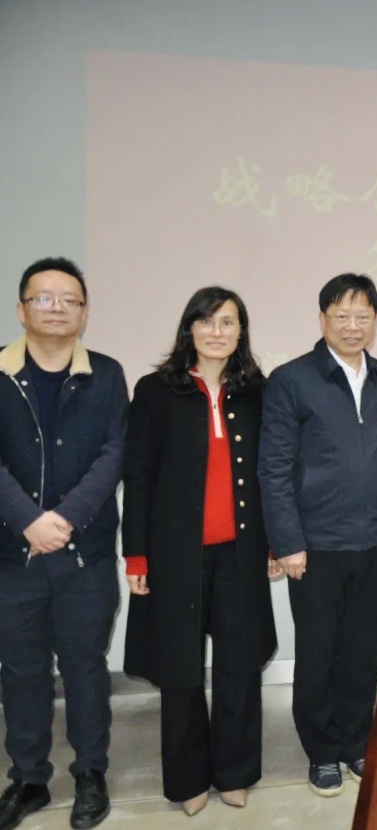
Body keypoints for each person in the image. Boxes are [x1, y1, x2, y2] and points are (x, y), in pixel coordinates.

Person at [121, 287, 280, 815]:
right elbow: (138, 478)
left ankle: (235, 772)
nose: (217, 332)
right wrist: (136, 555)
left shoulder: (257, 392)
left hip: (242, 552)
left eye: (228, 323)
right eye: (207, 321)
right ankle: (188, 779)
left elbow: (271, 474)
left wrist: (275, 542)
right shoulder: (155, 391)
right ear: (189, 328)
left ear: (241, 332)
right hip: (175, 557)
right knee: (181, 669)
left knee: (239, 666)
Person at [258, 274, 377, 796]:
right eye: (341, 315)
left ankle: (356, 743)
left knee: (364, 653)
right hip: (315, 545)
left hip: (374, 540)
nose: (352, 326)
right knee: (319, 654)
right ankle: (322, 751)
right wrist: (287, 542)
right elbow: (273, 467)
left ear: (375, 321)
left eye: (362, 316)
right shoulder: (292, 380)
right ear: (322, 319)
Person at [0, 257, 127, 830]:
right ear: (22, 308)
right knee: (21, 670)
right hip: (12, 553)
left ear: (84, 312)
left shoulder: (107, 374)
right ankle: (28, 779)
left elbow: (113, 455)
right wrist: (28, 520)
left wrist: (65, 520)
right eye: (43, 298)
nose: (56, 308)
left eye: (68, 300)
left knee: (85, 667)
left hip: (84, 555)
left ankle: (90, 773)